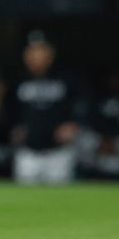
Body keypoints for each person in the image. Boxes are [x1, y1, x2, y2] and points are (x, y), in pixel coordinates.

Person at [11, 31, 78, 184]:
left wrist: (73, 123)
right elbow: (8, 109)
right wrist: (13, 127)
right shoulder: (17, 78)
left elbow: (82, 104)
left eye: (40, 51)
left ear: (50, 53)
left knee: (60, 202)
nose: (36, 56)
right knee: (25, 201)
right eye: (32, 51)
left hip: (58, 152)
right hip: (28, 152)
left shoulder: (66, 78)